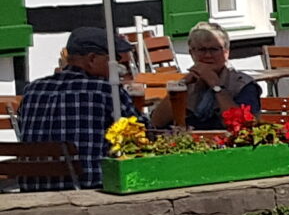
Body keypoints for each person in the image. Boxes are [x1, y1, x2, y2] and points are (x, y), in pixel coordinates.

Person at [14, 27, 137, 191]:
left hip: (33, 187)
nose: (120, 67)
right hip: (87, 187)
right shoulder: (106, 90)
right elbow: (138, 133)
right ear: (92, 59)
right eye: (115, 59)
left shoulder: (33, 89)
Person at [147, 22, 264, 132]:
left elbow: (243, 127)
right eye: (202, 50)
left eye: (214, 49)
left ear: (226, 53)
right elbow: (156, 123)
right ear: (192, 53)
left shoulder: (243, 84)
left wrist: (216, 87)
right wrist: (181, 84)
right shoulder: (186, 84)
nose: (208, 55)